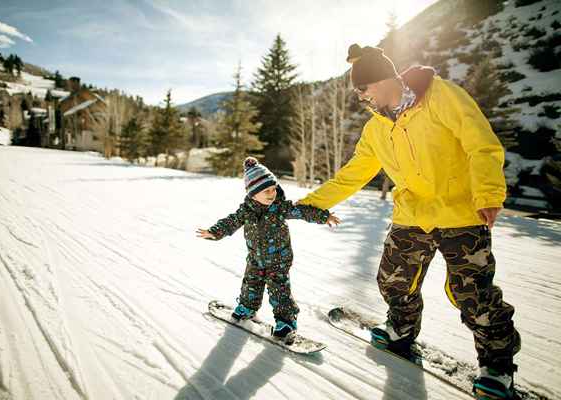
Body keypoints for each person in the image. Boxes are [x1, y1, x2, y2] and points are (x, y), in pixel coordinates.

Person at [297, 44, 521, 399]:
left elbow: (481, 142)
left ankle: (497, 365)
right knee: (393, 281)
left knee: (473, 295)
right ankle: (400, 330)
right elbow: (351, 176)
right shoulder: (376, 129)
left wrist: (489, 193)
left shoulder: (441, 96)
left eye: (362, 89)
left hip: (460, 212)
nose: (362, 98)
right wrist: (306, 205)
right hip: (411, 215)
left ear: (380, 80)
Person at [197, 157, 340, 339]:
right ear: (253, 193)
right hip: (256, 259)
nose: (272, 193)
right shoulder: (246, 211)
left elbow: (302, 211)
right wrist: (214, 232)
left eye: (274, 189)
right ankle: (247, 309)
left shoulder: (280, 208)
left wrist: (323, 216)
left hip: (279, 260)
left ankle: (286, 322)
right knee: (251, 285)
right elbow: (231, 221)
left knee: (279, 290)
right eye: (267, 190)